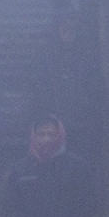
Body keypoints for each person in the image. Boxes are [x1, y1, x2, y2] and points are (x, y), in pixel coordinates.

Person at [29, 10, 104, 148]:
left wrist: (87, 113)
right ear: (58, 30)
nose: (69, 34)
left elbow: (95, 90)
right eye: (65, 29)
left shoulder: (87, 56)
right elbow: (38, 88)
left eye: (73, 30)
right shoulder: (45, 57)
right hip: (54, 124)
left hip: (82, 125)